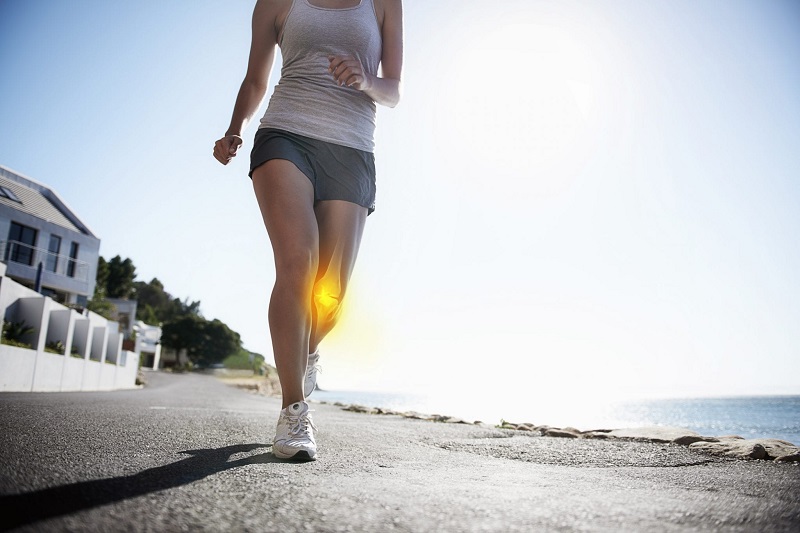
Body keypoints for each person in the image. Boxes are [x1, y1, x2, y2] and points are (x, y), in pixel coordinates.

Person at [213, 0, 403, 461]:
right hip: (286, 134)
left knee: (331, 296)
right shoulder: (276, 3)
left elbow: (393, 90)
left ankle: (308, 349)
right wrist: (235, 128)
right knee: (298, 261)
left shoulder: (384, 4)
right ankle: (293, 410)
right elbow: (257, 77)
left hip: (352, 149)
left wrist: (364, 79)